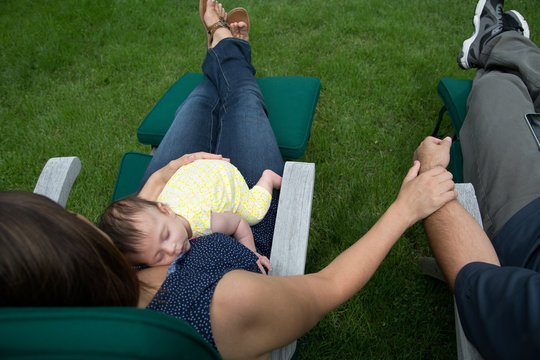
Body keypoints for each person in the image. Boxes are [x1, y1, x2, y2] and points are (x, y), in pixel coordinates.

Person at [0, 1, 457, 359]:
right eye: (76, 223)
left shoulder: (96, 290)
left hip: (168, 204)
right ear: (79, 260)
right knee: (241, 100)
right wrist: (405, 209)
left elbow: (131, 237)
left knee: (197, 104)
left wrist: (153, 186)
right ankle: (224, 44)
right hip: (244, 205)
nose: (84, 217)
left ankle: (218, 51)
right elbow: (328, 287)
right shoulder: (220, 304)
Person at [416, 1, 540, 359]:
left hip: (526, 211)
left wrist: (431, 173)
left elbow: (475, 276)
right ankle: (503, 40)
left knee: (498, 90)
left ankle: (499, 40)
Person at [98, 159, 281, 274]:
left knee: (252, 214)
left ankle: (268, 178)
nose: (172, 249)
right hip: (194, 174)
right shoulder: (159, 216)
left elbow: (238, 223)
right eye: (159, 256)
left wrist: (251, 253)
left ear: (166, 210)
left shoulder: (202, 222)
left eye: (166, 235)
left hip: (223, 177)